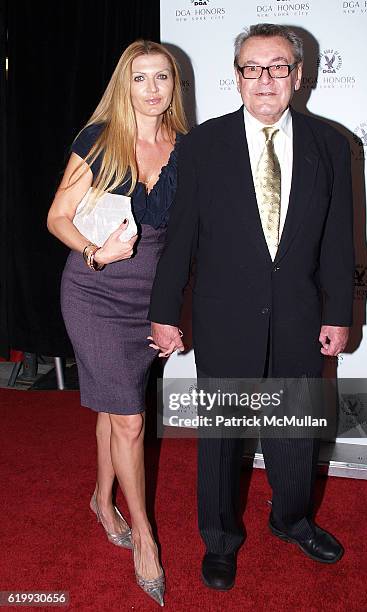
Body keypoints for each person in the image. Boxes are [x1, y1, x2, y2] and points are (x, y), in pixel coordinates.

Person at [148, 24, 354, 590]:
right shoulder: (202, 145)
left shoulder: (331, 146)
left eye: (278, 66)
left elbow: (338, 240)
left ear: (299, 75)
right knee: (221, 438)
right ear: (236, 77)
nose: (265, 79)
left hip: (298, 316)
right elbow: (181, 237)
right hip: (223, 316)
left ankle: (291, 519)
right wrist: (164, 313)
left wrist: (339, 312)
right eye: (252, 68)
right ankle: (219, 539)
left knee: (293, 430)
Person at [47, 40, 188, 607]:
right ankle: (144, 539)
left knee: (116, 405)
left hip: (149, 298)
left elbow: (186, 239)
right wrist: (94, 253)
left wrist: (174, 308)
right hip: (94, 291)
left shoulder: (186, 146)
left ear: (175, 86)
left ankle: (102, 501)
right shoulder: (100, 141)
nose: (152, 89)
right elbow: (57, 217)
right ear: (123, 86)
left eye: (162, 77)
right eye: (140, 78)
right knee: (130, 417)